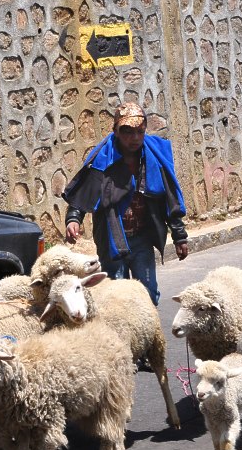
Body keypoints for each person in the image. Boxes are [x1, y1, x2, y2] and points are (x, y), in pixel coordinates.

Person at [62, 102, 189, 306]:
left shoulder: (154, 158)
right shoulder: (103, 159)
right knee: (116, 300)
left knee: (147, 296)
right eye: (128, 132)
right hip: (111, 239)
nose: (135, 138)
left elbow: (169, 198)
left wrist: (179, 236)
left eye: (140, 131)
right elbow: (85, 192)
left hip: (142, 239)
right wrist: (73, 218)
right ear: (116, 131)